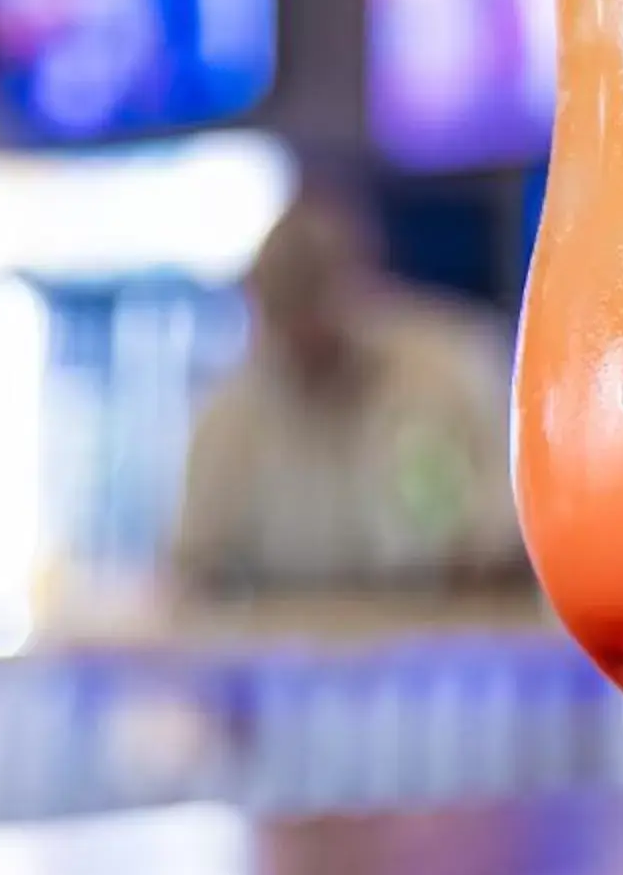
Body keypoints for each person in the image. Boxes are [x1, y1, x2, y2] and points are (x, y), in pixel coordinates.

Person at [170, 191, 525, 595]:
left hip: (440, 635)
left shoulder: (449, 371)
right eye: (286, 303)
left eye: (316, 291)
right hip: (286, 644)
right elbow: (192, 566)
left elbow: (509, 540)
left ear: (365, 279)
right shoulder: (231, 416)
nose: (306, 325)